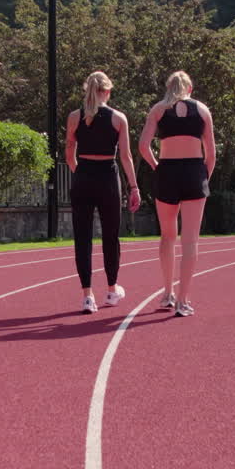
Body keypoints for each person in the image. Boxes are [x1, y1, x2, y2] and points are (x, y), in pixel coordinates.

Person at [137, 71, 215, 317]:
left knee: (167, 236)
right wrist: (204, 178)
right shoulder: (202, 110)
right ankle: (183, 301)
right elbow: (211, 153)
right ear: (190, 89)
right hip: (194, 171)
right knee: (190, 240)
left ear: (168, 87)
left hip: (167, 171)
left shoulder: (158, 109)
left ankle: (167, 294)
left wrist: (156, 166)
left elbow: (142, 145)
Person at [65, 71, 141, 314]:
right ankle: (111, 289)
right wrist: (134, 186)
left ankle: (87, 296)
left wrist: (80, 173)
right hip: (108, 177)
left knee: (82, 238)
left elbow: (69, 154)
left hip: (83, 176)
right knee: (110, 236)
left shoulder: (74, 117)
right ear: (107, 92)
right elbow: (126, 157)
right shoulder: (119, 118)